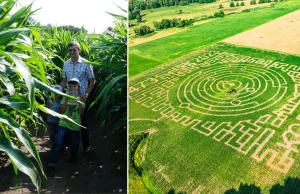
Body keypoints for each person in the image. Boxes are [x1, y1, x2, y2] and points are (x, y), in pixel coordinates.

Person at [60, 41, 96, 155]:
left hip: (82, 98)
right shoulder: (66, 64)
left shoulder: (86, 63)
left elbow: (92, 81)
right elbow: (64, 80)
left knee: (83, 121)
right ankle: (68, 145)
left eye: (74, 50)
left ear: (79, 50)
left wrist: (86, 94)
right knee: (67, 119)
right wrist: (57, 91)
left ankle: (86, 146)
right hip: (69, 97)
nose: (72, 52)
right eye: (70, 50)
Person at [47, 78, 85, 176]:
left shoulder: (81, 97)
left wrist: (80, 102)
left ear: (78, 87)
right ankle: (51, 164)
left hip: (75, 124)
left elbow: (81, 113)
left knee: (74, 145)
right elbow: (61, 112)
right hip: (64, 122)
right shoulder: (65, 97)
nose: (72, 88)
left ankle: (73, 157)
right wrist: (66, 100)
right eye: (71, 86)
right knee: (58, 143)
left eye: (75, 86)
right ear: (68, 87)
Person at [46, 85, 63, 150]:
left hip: (58, 122)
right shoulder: (50, 100)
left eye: (57, 93)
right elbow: (47, 109)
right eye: (54, 92)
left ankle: (59, 147)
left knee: (58, 135)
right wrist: (51, 114)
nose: (56, 94)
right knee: (51, 134)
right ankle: (53, 146)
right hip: (50, 121)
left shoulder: (61, 101)